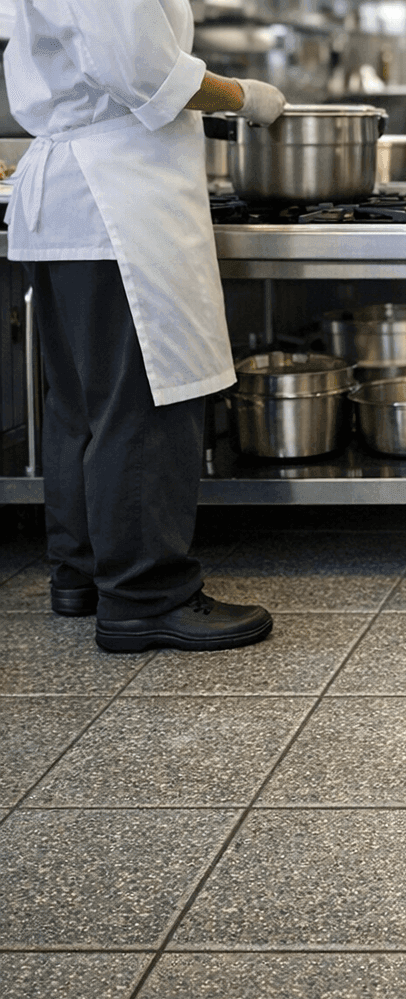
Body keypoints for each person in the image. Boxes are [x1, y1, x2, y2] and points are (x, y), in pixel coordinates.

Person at [5, 0, 285, 652]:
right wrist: (245, 96)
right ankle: (145, 597)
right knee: (143, 407)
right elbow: (143, 68)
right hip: (118, 199)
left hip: (79, 198)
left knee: (81, 410)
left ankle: (82, 575)